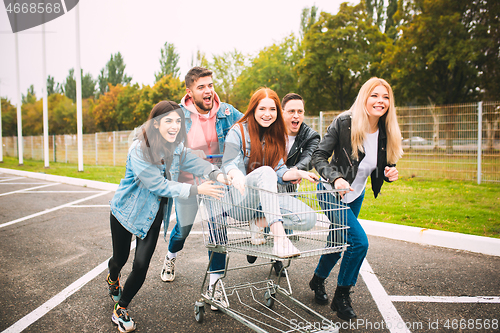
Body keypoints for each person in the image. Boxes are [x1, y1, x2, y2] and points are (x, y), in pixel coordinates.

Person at [106, 101, 228, 332]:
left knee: (141, 265)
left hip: (152, 216)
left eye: (178, 121)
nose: (174, 126)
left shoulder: (176, 146)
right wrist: (196, 190)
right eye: (168, 120)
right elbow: (158, 185)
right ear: (156, 122)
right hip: (126, 212)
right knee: (119, 259)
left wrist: (215, 173)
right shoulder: (139, 149)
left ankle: (120, 309)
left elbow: (192, 160)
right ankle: (113, 278)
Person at [308, 77, 403, 321]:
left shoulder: (385, 130)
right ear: (364, 97)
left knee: (338, 241)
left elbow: (379, 163)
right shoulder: (344, 122)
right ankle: (342, 296)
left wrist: (389, 172)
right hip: (331, 192)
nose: (380, 101)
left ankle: (317, 280)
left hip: (355, 194)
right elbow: (319, 156)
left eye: (385, 97)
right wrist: (336, 178)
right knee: (358, 242)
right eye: (375, 95)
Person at [160, 67, 242, 310]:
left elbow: (249, 128)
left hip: (217, 182)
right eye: (201, 87)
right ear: (190, 91)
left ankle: (215, 286)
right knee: (182, 232)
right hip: (189, 184)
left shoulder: (227, 112)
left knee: (219, 231)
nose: (208, 91)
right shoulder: (178, 116)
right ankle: (171, 256)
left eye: (210, 85)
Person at [221, 87, 319, 258]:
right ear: (253, 110)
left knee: (308, 218)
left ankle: (259, 223)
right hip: (241, 201)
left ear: (277, 112)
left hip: (266, 201)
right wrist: (236, 175)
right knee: (266, 172)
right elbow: (229, 162)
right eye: (262, 109)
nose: (268, 114)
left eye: (272, 109)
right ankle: (280, 240)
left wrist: (299, 173)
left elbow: (280, 171)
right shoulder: (238, 132)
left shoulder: (275, 135)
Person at [253, 93, 321, 276]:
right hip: (267, 183)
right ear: (282, 113)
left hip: (289, 184)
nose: (296, 116)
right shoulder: (270, 130)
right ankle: (260, 230)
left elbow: (309, 157)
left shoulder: (311, 136)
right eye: (291, 111)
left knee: (287, 222)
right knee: (277, 213)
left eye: (300, 111)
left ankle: (278, 260)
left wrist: (293, 172)